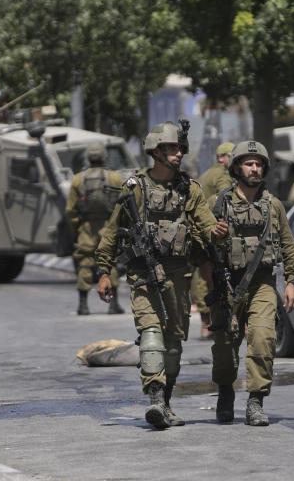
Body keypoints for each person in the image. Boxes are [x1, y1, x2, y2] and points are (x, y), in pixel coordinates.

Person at [95, 121, 223, 429]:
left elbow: (205, 223)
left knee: (174, 345)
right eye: (171, 148)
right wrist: (104, 272)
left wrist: (215, 231)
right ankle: (154, 399)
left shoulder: (189, 189)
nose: (178, 153)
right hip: (143, 277)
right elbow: (111, 233)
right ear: (156, 151)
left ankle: (165, 401)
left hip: (179, 276)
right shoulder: (135, 188)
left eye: (180, 148)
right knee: (151, 335)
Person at [209, 140, 294, 426]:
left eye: (259, 163)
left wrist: (291, 281)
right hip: (227, 283)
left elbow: (288, 245)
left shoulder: (273, 205)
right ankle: (225, 392)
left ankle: (255, 401)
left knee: (263, 339)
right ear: (236, 167)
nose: (254, 168)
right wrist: (215, 235)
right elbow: (200, 246)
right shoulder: (220, 203)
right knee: (225, 349)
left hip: (262, 282)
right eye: (249, 163)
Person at [65, 141, 124, 316]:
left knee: (84, 262)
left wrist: (77, 226)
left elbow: (70, 209)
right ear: (104, 155)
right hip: (108, 226)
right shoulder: (115, 177)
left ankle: (83, 305)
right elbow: (123, 205)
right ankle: (113, 305)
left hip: (87, 226)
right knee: (111, 262)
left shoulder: (78, 179)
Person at [191, 142, 235, 338]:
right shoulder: (221, 177)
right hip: (214, 227)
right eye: (231, 156)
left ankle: (205, 322)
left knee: (202, 275)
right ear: (221, 157)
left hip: (199, 227)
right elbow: (226, 201)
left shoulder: (206, 174)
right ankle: (211, 322)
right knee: (210, 276)